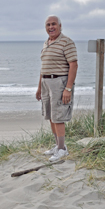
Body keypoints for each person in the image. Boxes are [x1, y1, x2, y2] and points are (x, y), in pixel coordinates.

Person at [36, 15, 78, 162]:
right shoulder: (46, 43)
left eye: (53, 24)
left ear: (60, 26)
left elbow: (73, 65)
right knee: (51, 116)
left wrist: (68, 89)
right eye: (48, 25)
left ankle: (62, 150)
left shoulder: (66, 42)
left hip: (59, 82)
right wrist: (39, 88)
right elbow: (43, 68)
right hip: (46, 83)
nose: (50, 27)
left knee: (58, 117)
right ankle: (58, 145)